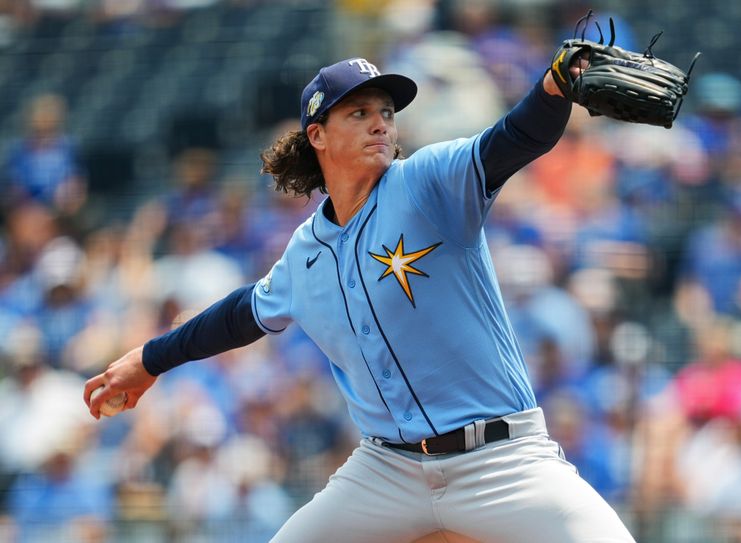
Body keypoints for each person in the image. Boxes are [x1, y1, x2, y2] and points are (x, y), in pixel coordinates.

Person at [84, 55, 636, 542]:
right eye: (360, 113)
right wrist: (149, 361)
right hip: (386, 472)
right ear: (318, 135)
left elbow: (515, 138)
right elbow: (239, 316)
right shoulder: (305, 252)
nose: (380, 124)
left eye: (387, 114)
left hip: (501, 461)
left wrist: (554, 87)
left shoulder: (427, 181)